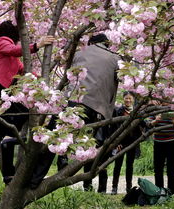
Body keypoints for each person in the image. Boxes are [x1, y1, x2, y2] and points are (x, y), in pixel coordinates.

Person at [29, 33, 120, 190]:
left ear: (90, 42)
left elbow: (70, 75)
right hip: (99, 110)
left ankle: (35, 179)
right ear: (106, 44)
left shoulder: (80, 52)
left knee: (53, 137)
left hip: (75, 101)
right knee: (88, 145)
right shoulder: (115, 58)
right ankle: (82, 174)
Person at [0, 20, 55, 184]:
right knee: (15, 117)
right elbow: (14, 50)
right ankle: (4, 136)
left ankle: (8, 174)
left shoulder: (13, 58)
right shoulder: (2, 43)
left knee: (19, 118)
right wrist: (37, 45)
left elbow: (25, 71)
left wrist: (42, 81)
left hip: (0, 93)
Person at [110, 91, 143, 195]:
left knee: (130, 165)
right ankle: (114, 187)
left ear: (133, 99)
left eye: (130, 98)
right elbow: (114, 128)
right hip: (121, 143)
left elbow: (144, 124)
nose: (128, 100)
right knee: (118, 165)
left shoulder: (136, 112)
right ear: (123, 99)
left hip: (132, 142)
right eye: (126, 98)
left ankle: (128, 187)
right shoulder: (118, 111)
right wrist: (116, 142)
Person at [146, 105, 174, 195]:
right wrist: (155, 121)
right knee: (158, 169)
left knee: (171, 169)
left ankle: (171, 193)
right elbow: (147, 123)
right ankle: (159, 193)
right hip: (159, 143)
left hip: (173, 143)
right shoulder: (155, 109)